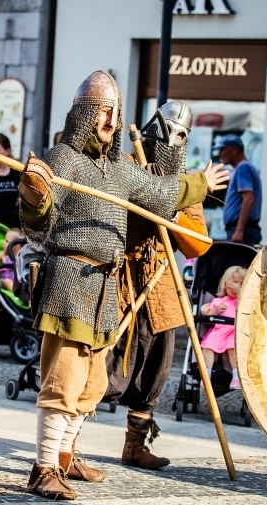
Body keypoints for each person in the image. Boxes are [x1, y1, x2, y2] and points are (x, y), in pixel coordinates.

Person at [19, 70, 229, 500]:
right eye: (102, 112)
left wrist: (199, 184)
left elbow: (161, 192)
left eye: (114, 112)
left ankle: (63, 457)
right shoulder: (62, 159)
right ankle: (43, 468)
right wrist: (34, 197)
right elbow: (37, 226)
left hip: (106, 287)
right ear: (84, 114)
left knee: (93, 384)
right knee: (63, 379)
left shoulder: (119, 169)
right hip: (70, 280)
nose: (110, 121)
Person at [104, 100, 203, 470]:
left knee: (156, 368)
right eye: (171, 130)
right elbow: (109, 211)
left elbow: (196, 246)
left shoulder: (186, 183)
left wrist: (172, 204)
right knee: (105, 367)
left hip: (162, 286)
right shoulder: (124, 166)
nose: (174, 139)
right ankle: (69, 444)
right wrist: (144, 188)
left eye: (183, 135)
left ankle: (135, 445)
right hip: (122, 282)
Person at [199, 265, 246, 390]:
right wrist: (216, 310)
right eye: (231, 281)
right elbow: (208, 318)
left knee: (233, 347)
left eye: (237, 282)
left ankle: (236, 378)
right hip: (218, 330)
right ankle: (206, 377)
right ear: (225, 284)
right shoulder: (218, 301)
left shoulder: (243, 300)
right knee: (208, 347)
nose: (233, 285)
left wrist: (239, 292)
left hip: (233, 331)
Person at [216, 134, 262, 245]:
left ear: (234, 150)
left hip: (243, 231)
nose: (219, 154)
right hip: (244, 229)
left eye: (222, 149)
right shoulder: (244, 167)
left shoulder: (243, 167)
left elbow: (249, 199)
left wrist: (239, 231)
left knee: (235, 262)